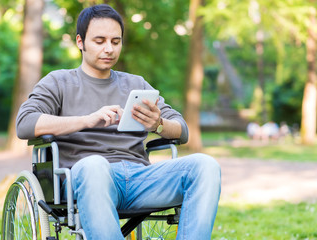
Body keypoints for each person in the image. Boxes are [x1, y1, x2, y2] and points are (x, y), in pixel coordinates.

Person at [16, 4, 221, 239]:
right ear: (80, 42)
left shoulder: (136, 84)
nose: (109, 49)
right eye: (99, 41)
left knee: (205, 165)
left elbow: (182, 130)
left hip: (140, 178)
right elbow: (25, 123)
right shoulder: (58, 82)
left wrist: (158, 124)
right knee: (95, 165)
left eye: (116, 41)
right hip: (85, 177)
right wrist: (87, 120)